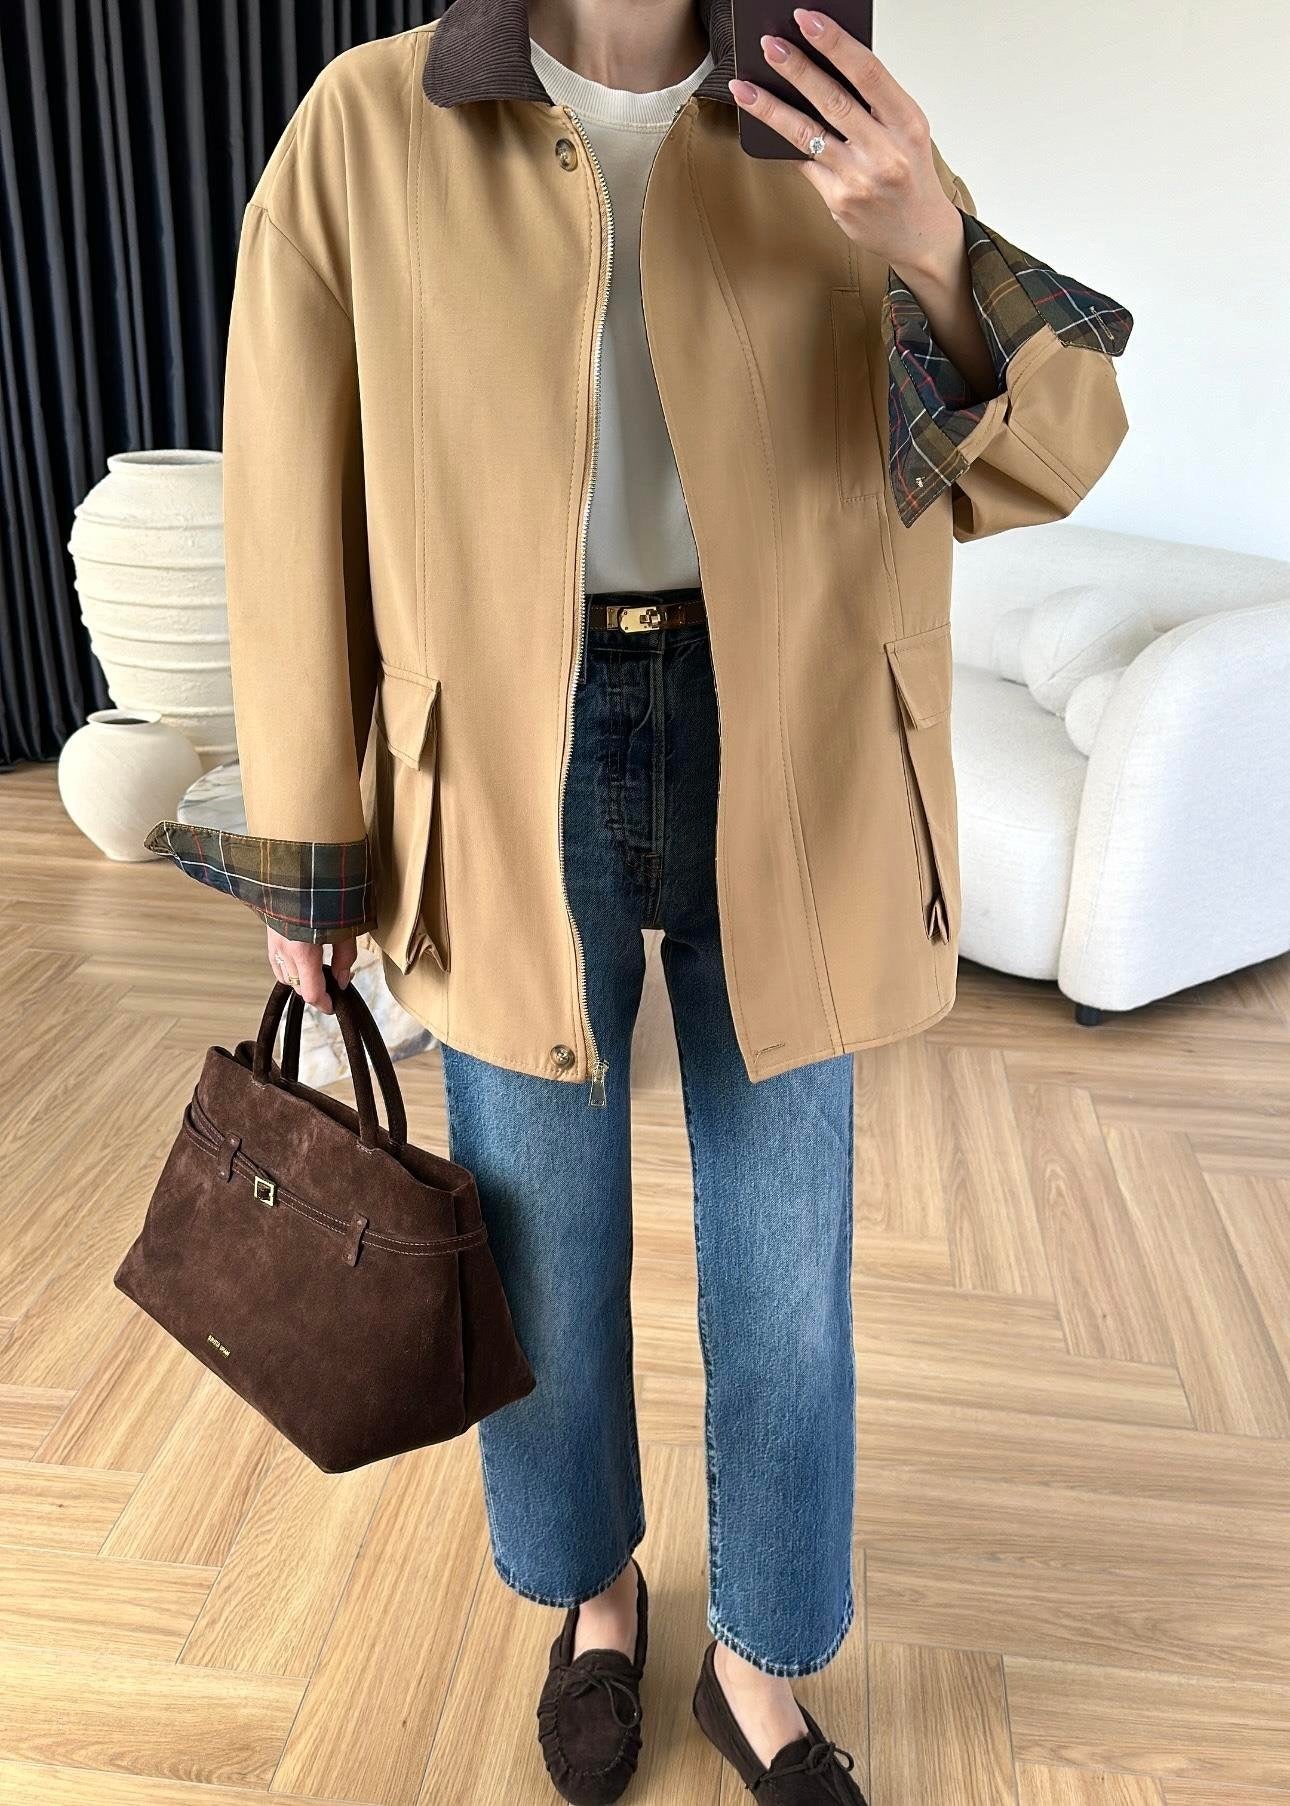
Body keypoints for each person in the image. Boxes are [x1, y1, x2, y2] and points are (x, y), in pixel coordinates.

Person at [148, 3, 1133, 1799]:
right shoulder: (366, 123)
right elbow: (288, 498)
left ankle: (759, 1662)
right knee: (535, 1236)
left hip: (796, 738)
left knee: (785, 1257)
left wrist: (927, 237)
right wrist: (308, 840)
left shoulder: (821, 106)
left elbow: (1048, 456)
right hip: (498, 760)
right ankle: (592, 1597)